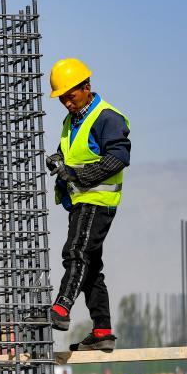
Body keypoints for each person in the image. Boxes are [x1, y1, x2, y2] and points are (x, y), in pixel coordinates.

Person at [46, 59, 131, 353]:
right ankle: (102, 331)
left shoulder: (107, 117)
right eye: (62, 98)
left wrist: (78, 175)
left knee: (76, 252)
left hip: (97, 200)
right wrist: (59, 161)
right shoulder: (71, 121)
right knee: (91, 267)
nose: (67, 102)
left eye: (71, 95)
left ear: (87, 87)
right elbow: (71, 153)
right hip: (80, 201)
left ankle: (61, 308)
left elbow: (118, 157)